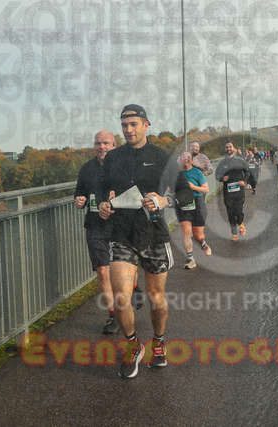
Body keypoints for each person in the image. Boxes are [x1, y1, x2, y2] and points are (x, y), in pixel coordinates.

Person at [98, 104, 192, 379]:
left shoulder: (161, 157)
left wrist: (165, 200)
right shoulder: (113, 157)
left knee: (155, 297)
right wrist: (102, 204)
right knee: (121, 295)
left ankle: (158, 342)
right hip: (122, 234)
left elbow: (186, 194)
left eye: (133, 124)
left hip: (154, 235)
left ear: (146, 125)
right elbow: (102, 190)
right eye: (124, 125)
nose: (128, 130)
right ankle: (132, 345)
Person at [74, 130, 142, 335]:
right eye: (98, 143)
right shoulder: (87, 168)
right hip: (96, 225)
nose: (101, 147)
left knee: (126, 271)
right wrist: (79, 199)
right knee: (103, 271)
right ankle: (113, 315)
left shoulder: (125, 166)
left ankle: (134, 286)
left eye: (105, 143)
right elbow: (80, 191)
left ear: (114, 145)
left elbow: (139, 193)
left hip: (122, 225)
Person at [176, 151, 211, 269]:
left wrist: (193, 187)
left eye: (188, 157)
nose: (186, 159)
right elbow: (170, 189)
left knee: (198, 235)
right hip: (183, 203)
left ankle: (202, 243)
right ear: (180, 160)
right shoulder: (177, 174)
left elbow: (206, 189)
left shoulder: (197, 172)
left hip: (197, 202)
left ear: (192, 160)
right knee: (186, 231)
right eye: (183, 157)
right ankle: (190, 259)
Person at [215, 141, 250, 241]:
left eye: (230, 147)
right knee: (230, 213)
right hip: (228, 192)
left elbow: (247, 172)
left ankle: (241, 224)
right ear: (225, 149)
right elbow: (217, 175)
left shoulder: (240, 160)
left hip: (239, 191)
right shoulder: (222, 162)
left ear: (234, 148)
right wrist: (222, 178)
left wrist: (244, 180)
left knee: (238, 210)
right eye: (227, 147)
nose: (228, 149)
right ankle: (234, 233)